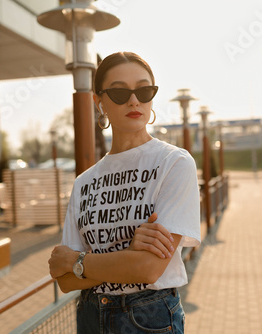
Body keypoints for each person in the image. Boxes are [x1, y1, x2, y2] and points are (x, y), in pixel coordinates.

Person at [48, 51, 201, 333]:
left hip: (148, 318)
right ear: (99, 101)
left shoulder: (174, 163)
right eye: (119, 92)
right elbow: (66, 280)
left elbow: (148, 269)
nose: (134, 100)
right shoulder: (84, 182)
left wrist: (78, 261)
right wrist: (127, 256)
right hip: (91, 316)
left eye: (144, 90)